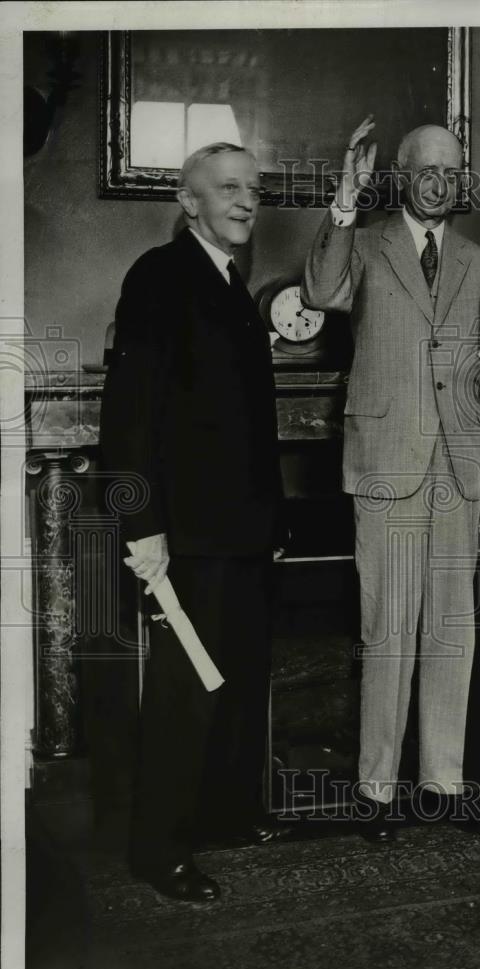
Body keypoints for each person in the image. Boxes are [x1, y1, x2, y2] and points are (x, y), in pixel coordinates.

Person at [302, 117, 480, 843]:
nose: (440, 183)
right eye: (427, 170)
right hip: (387, 463)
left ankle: (444, 783)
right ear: (399, 176)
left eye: (452, 173)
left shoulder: (477, 263)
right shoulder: (364, 243)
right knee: (386, 629)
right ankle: (376, 788)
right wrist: (344, 200)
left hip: (459, 467)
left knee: (453, 628)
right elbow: (321, 289)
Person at [100, 142, 287, 902]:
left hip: (240, 530)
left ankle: (222, 814)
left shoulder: (231, 283)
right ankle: (159, 848)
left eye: (254, 189)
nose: (247, 201)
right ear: (189, 201)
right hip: (186, 533)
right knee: (185, 690)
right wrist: (142, 527)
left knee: (236, 680)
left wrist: (272, 523)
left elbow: (247, 423)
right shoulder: (158, 276)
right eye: (229, 189)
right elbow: (131, 413)